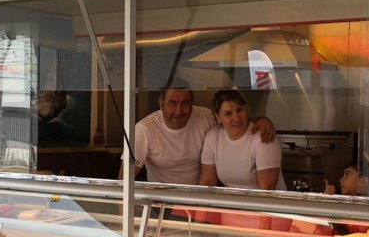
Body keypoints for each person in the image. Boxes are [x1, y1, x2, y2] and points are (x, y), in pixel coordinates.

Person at [122, 79, 275, 185]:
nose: (179, 111)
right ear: (161, 105)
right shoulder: (144, 130)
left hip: (196, 199)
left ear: (192, 103)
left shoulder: (205, 117)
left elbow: (233, 121)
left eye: (185, 103)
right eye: (172, 104)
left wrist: (262, 120)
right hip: (160, 202)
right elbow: (125, 179)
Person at [199, 89, 286, 190]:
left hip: (262, 199)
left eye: (240, 110)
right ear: (218, 117)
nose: (236, 118)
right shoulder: (213, 137)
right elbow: (207, 182)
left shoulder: (262, 137)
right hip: (234, 199)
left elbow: (267, 189)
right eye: (228, 113)